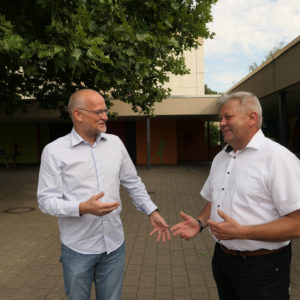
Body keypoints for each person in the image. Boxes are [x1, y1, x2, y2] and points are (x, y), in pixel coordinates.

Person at [37, 88, 170, 300]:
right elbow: (46, 201)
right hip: (78, 248)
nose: (105, 116)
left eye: (105, 110)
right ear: (78, 115)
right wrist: (82, 208)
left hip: (114, 246)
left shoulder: (115, 144)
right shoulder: (54, 151)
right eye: (98, 112)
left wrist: (152, 211)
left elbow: (132, 182)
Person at [171, 91, 300, 300]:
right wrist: (200, 222)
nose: (221, 123)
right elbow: (216, 198)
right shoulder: (221, 158)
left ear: (252, 118)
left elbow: (297, 223)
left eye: (227, 117)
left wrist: (243, 232)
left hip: (263, 268)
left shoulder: (278, 159)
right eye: (220, 118)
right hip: (223, 260)